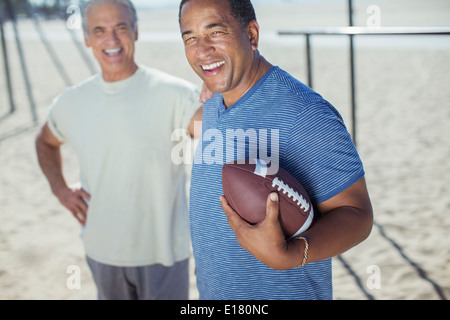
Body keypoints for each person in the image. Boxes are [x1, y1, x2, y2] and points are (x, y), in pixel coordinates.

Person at [179, 0, 373, 300]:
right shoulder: (215, 102)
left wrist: (292, 254)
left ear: (252, 35)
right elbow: (193, 128)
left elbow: (357, 215)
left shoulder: (305, 113)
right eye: (190, 37)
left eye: (215, 32)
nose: (201, 49)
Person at [35, 0, 203, 300]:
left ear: (135, 31)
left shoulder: (177, 94)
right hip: (102, 252)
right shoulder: (70, 102)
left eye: (120, 28)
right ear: (86, 37)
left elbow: (220, 141)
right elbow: (45, 142)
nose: (111, 40)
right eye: (99, 30)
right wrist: (59, 188)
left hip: (164, 255)